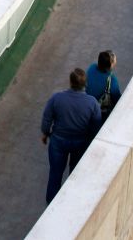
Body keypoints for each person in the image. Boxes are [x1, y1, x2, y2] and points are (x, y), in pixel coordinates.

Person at [41, 68, 101, 203]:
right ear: (85, 84)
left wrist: (45, 133)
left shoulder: (56, 98)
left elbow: (47, 119)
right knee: (75, 174)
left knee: (55, 175)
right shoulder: (92, 103)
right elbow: (96, 126)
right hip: (80, 142)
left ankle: (51, 204)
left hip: (58, 142)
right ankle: (70, 201)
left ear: (70, 82)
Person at [86, 50, 122, 122]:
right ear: (111, 64)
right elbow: (118, 100)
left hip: (87, 105)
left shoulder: (91, 68)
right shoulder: (112, 80)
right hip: (100, 113)